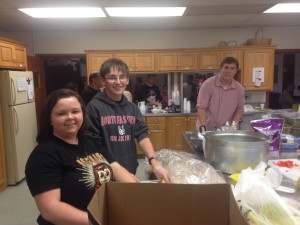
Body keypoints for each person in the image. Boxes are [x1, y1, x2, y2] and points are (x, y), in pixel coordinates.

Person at [25, 89, 138, 225]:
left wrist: (135, 195)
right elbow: (50, 209)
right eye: (61, 113)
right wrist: (97, 222)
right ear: (50, 119)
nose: (70, 117)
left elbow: (115, 167)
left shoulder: (89, 141)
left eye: (75, 111)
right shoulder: (43, 155)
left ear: (83, 114)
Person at [85, 58, 170, 182]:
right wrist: (118, 172)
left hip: (130, 170)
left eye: (122, 77)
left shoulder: (132, 108)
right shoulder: (94, 107)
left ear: (127, 79)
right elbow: (92, 144)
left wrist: (154, 163)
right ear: (103, 80)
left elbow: (142, 135)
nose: (118, 82)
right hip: (105, 173)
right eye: (112, 77)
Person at [196, 57, 245, 131]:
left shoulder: (239, 89)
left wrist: (233, 126)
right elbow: (201, 107)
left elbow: (239, 109)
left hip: (225, 130)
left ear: (235, 71)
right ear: (221, 68)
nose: (228, 71)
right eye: (226, 67)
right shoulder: (208, 84)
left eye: (232, 68)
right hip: (206, 128)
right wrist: (203, 126)